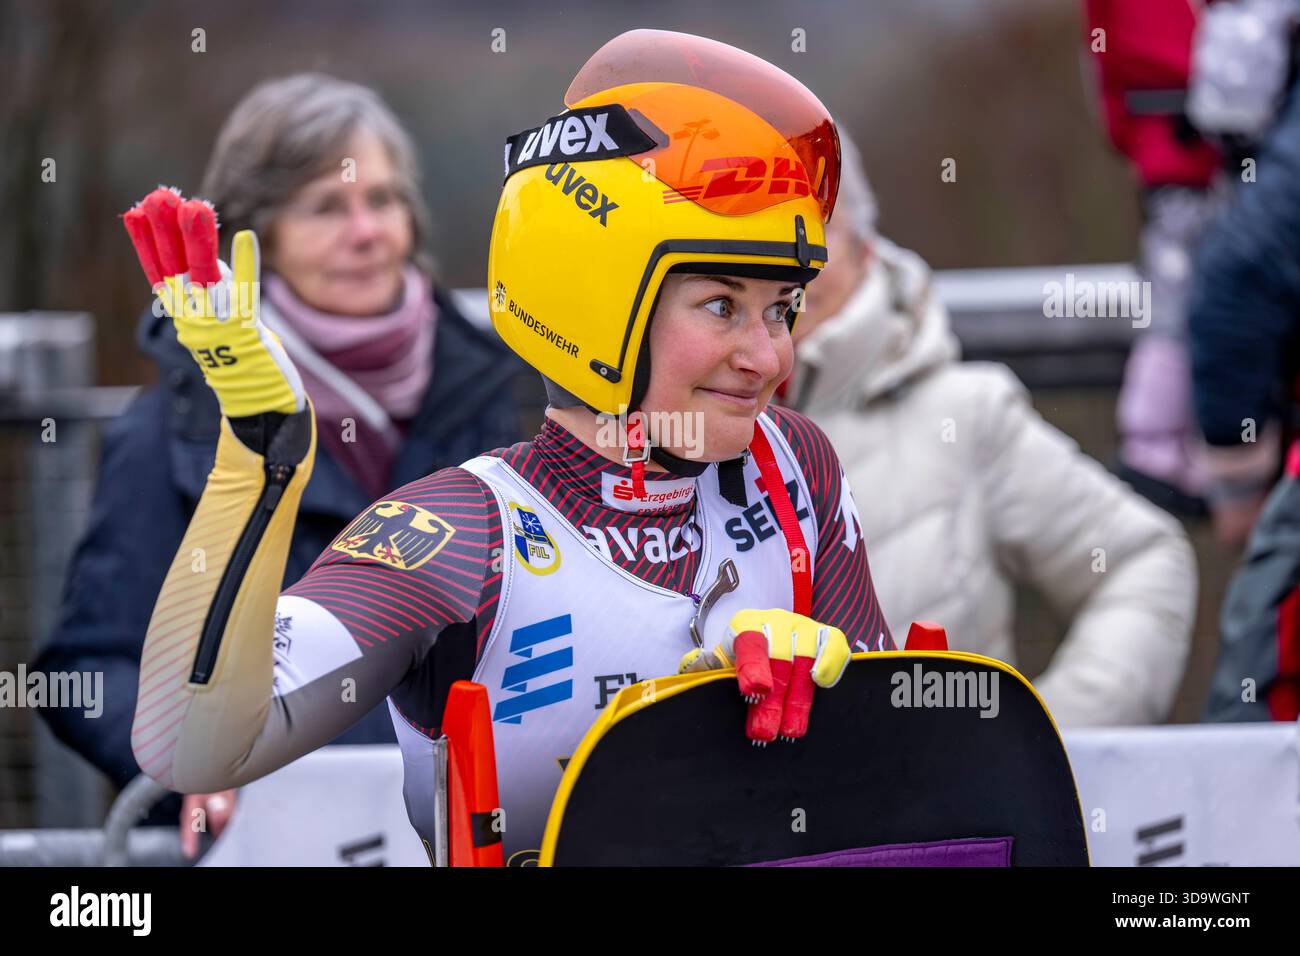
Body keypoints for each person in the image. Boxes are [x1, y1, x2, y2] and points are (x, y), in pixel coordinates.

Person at [122, 31, 894, 866]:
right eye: (721, 306)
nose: (770, 356)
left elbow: (904, 796)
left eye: (782, 307)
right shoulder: (459, 533)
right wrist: (258, 463)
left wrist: (845, 701)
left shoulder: (793, 469)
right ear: (594, 300)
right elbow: (187, 748)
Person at [32, 74, 529, 847]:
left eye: (386, 200)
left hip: (472, 836)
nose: (367, 232)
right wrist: (194, 765)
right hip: (283, 840)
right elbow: (88, 670)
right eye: (327, 208)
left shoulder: (505, 391)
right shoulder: (171, 424)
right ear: (252, 239)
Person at [787, 132, 1197, 727]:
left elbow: (1144, 560)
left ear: (865, 245)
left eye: (809, 220)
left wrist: (1042, 756)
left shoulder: (966, 415)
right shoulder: (638, 439)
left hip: (953, 820)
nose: (780, 253)